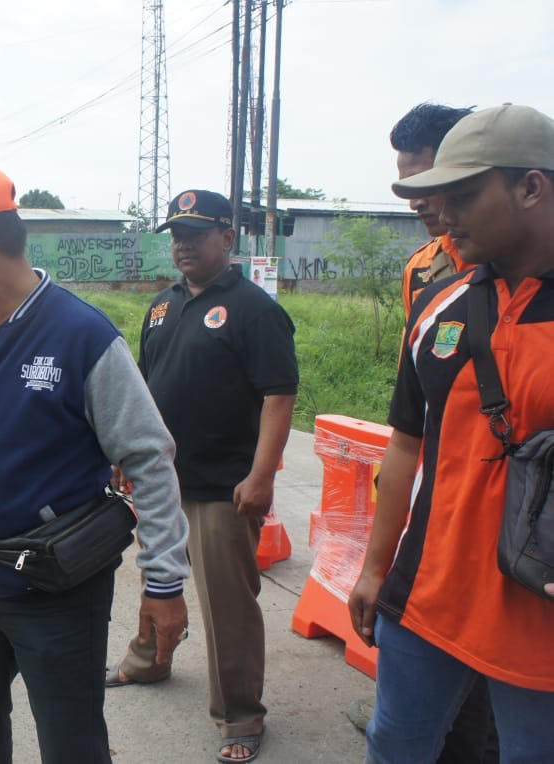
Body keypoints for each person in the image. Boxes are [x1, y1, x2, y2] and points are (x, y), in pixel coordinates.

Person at [0, 159, 190, 763]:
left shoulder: (82, 336)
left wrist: (163, 581)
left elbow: (150, 458)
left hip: (57, 589)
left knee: (71, 743)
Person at [348, 103, 554, 763]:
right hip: (427, 595)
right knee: (395, 744)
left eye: (462, 195)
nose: (440, 212)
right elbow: (407, 442)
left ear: (531, 187)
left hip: (537, 618)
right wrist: (374, 568)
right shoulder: (441, 305)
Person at [105, 189, 298, 764]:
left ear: (227, 238)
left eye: (195, 232)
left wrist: (261, 476)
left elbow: (279, 397)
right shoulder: (161, 306)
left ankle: (241, 715)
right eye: (175, 234)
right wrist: (122, 449)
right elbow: (141, 389)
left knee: (226, 605)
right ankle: (149, 661)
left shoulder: (256, 310)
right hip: (161, 479)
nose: (182, 243)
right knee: (154, 576)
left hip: (223, 486)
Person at [392, 103, 476, 315]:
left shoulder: (521, 262)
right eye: (409, 189)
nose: (415, 203)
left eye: (425, 183)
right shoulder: (421, 266)